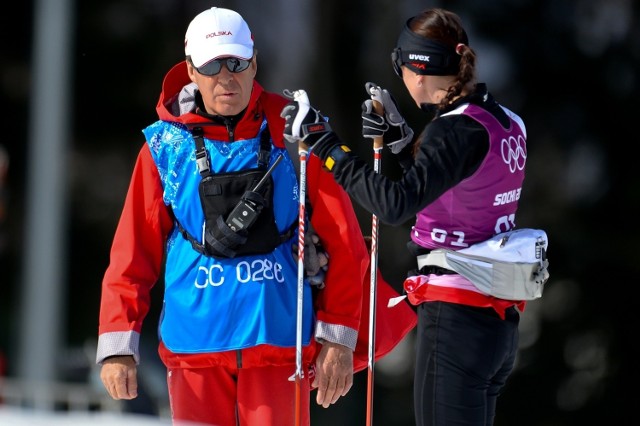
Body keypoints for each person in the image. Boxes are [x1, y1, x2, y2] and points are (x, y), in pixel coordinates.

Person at [96, 6, 416, 426]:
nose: (226, 76)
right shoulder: (162, 149)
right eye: (212, 65)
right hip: (194, 350)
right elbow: (131, 255)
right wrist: (119, 345)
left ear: (254, 63)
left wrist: (338, 339)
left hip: (279, 345)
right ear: (190, 69)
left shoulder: (298, 131)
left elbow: (345, 241)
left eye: (237, 62)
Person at [281, 7, 528, 426]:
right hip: (495, 321)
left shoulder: (453, 131)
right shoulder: (502, 121)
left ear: (417, 67)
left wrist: (327, 148)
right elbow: (451, 186)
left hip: (456, 316)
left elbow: (395, 204)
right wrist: (402, 141)